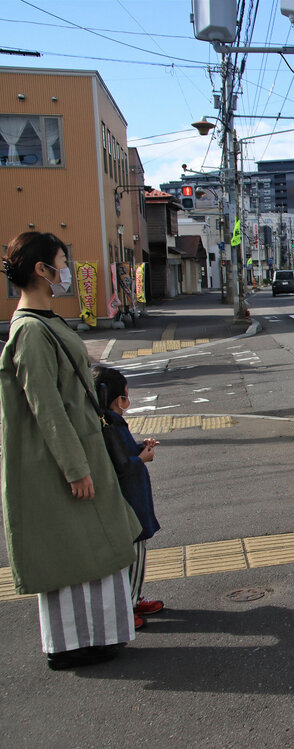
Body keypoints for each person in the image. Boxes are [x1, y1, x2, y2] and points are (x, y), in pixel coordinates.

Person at [0, 231, 143, 670]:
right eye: (62, 262)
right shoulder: (30, 332)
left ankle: (98, 637)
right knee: (67, 554)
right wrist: (75, 468)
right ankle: (68, 646)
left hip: (80, 454)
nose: (65, 271)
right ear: (42, 270)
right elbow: (46, 408)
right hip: (62, 463)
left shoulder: (46, 324)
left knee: (94, 548)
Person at [94, 365, 163, 629]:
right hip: (130, 500)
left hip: (132, 498)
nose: (127, 401)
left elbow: (123, 454)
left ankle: (134, 599)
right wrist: (142, 457)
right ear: (115, 399)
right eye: (125, 396)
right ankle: (128, 606)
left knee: (136, 552)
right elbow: (122, 465)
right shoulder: (109, 425)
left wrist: (140, 448)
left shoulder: (110, 423)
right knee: (134, 553)